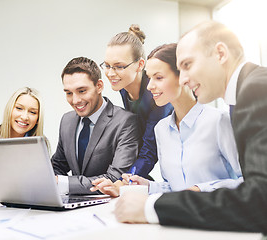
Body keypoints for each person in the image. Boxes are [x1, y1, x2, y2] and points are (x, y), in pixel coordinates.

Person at [114, 21, 267, 234]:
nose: (185, 78)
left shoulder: (253, 90)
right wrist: (148, 188)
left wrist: (151, 208)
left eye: (187, 65)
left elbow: (257, 196)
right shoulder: (244, 94)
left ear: (220, 54)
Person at [92, 43, 242, 197]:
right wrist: (148, 186)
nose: (150, 86)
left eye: (158, 77)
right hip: (178, 217)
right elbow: (174, 188)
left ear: (183, 76)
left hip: (218, 217)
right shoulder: (161, 129)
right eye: (149, 78)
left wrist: (200, 189)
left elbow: (250, 181)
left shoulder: (219, 121)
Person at [51, 56, 139, 195]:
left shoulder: (126, 121)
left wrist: (63, 184)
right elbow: (57, 165)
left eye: (82, 91)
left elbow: (114, 178)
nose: (75, 100)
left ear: (99, 86)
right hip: (73, 207)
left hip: (109, 206)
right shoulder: (67, 121)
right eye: (68, 93)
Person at [100, 24, 173, 178]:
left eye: (119, 66)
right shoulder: (122, 86)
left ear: (140, 65)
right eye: (107, 66)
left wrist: (124, 180)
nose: (110, 73)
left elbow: (148, 151)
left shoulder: (157, 93)